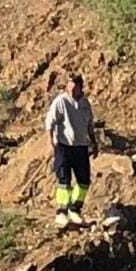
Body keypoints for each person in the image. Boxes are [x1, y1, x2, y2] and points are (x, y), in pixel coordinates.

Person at [45, 74, 95, 229]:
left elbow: (89, 125)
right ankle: (61, 212)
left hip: (81, 147)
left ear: (81, 88)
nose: (72, 90)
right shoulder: (61, 101)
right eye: (69, 87)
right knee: (64, 181)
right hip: (63, 146)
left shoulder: (85, 104)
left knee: (84, 181)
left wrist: (94, 142)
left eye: (75, 87)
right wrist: (50, 141)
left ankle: (75, 209)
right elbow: (50, 122)